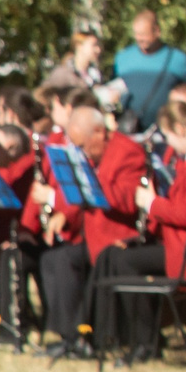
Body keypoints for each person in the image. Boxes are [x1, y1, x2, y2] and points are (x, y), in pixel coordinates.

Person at [93, 86, 186, 358]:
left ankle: (145, 343)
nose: (167, 142)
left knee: (125, 262)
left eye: (167, 135)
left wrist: (150, 202)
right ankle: (124, 336)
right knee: (116, 255)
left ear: (180, 128)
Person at [24, 103, 147, 357]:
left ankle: (81, 338)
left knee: (65, 261)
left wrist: (70, 192)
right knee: (51, 259)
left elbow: (127, 200)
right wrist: (62, 210)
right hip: (91, 233)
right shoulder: (94, 155)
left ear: (100, 133)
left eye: (82, 146)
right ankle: (68, 335)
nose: (81, 152)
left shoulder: (128, 153)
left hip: (117, 237)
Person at [110, 8, 186, 134]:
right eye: (136, 34)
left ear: (157, 31)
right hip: (128, 131)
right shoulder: (122, 58)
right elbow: (112, 89)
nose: (139, 38)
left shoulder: (178, 60)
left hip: (167, 132)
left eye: (144, 34)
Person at [42, 30, 105, 101]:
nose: (98, 50)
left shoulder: (95, 75)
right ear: (79, 46)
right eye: (94, 45)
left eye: (98, 45)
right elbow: (44, 96)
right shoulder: (63, 73)